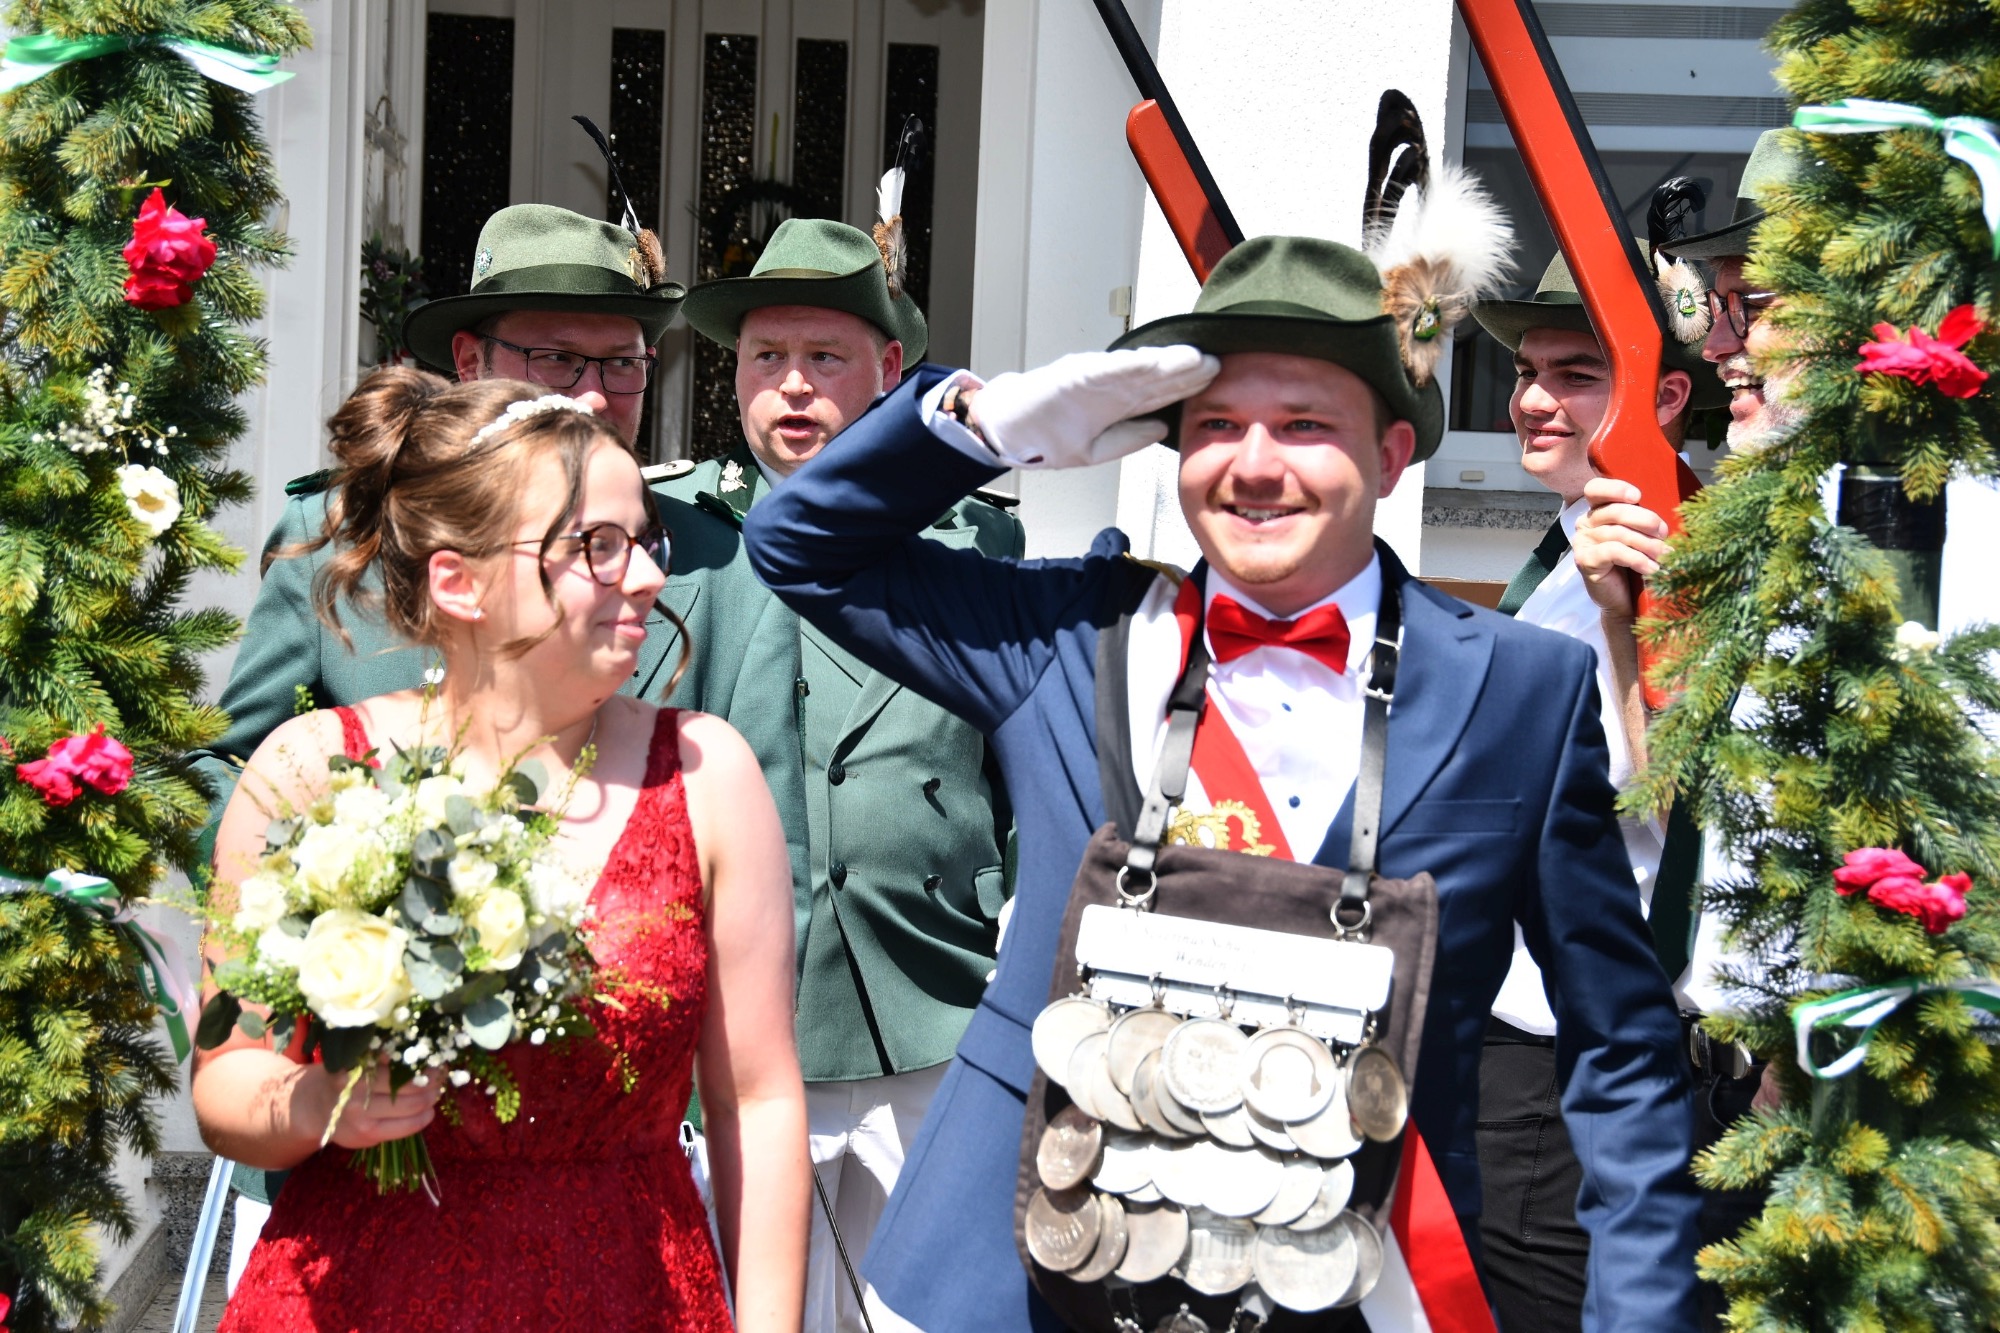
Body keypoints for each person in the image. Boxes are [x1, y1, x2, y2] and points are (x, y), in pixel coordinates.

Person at [743, 234, 1701, 1332]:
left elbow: (1621, 1047)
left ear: (1392, 455)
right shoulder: (1064, 636)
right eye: (1214, 427)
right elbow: (799, 544)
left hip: (1349, 1284)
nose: (1254, 464)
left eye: (1303, 425)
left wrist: (1640, 1311)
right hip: (1022, 1273)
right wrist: (985, 424)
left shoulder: (1519, 688)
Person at [185, 202, 787, 1284]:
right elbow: (229, 1072)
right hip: (362, 1263)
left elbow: (753, 1088)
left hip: (624, 1254)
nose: (594, 392)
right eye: (560, 358)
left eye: (622, 361)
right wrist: (315, 1008)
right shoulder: (315, 760)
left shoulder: (706, 747)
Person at [670, 216, 1023, 1333]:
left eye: (825, 357)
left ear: (888, 370)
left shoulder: (978, 544)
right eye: (765, 356)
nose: (792, 385)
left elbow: (1018, 766)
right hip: (735, 1024)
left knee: (945, 1310)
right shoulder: (676, 541)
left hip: (933, 998)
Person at [1571, 130, 1811, 1329]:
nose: (1716, 345)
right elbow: (1666, 796)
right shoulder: (1760, 534)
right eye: (1716, 307)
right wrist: (1625, 625)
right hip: (1713, 1088)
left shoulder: (1944, 549)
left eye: (1750, 307)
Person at [1468, 246, 1722, 1330]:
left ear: (1665, 398)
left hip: (1573, 1055)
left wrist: (1628, 626)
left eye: (1575, 374)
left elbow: (1684, 811)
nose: (1532, 399)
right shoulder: (1576, 539)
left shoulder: (1676, 555)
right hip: (1525, 1035)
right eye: (1527, 370)